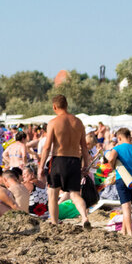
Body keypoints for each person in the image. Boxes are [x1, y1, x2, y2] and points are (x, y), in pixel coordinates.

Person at [42, 94, 89, 225]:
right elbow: (84, 147)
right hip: (74, 160)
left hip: (59, 160)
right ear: (67, 105)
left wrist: (40, 167)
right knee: (75, 194)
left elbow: (46, 147)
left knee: (53, 194)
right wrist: (86, 164)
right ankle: (84, 217)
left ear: (54, 107)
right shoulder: (78, 122)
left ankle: (54, 222)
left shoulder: (53, 122)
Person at [106, 128, 132, 236]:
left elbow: (110, 159)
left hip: (123, 180)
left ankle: (129, 233)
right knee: (128, 206)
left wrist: (113, 167)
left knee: (126, 207)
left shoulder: (117, 148)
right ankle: (123, 231)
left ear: (119, 137)